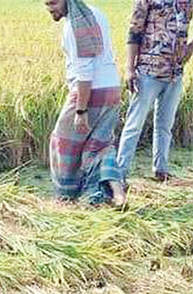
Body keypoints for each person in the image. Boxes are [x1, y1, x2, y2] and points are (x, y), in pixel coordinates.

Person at [45, 0, 126, 206]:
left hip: (91, 92)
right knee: (100, 145)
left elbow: (85, 71)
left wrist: (81, 111)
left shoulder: (76, 26)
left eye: (53, 3)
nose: (50, 8)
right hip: (112, 88)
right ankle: (117, 193)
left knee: (62, 141)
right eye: (46, 3)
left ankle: (66, 194)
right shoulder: (95, 13)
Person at [116, 0, 193, 183]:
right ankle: (120, 174)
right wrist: (129, 69)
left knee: (165, 125)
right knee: (134, 125)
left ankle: (161, 171)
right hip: (147, 72)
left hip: (175, 73)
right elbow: (134, 31)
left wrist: (189, 49)